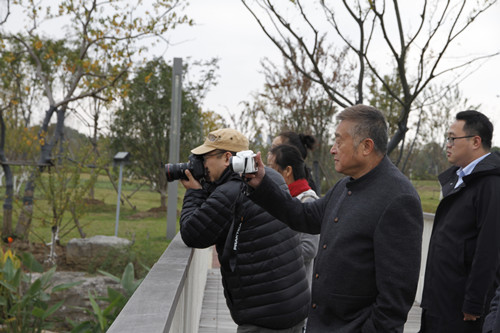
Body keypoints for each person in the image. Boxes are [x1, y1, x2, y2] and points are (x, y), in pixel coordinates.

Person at [246, 105, 423, 332]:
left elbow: (395, 299)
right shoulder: (345, 185)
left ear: (366, 146)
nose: (332, 149)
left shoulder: (399, 198)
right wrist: (262, 183)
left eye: (339, 141)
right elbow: (303, 216)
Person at [179, 128, 310, 332]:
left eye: (206, 157)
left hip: (264, 316)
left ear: (227, 158)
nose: (202, 164)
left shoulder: (229, 192)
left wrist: (194, 194)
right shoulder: (271, 177)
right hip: (293, 303)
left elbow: (191, 234)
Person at [419, 110, 500, 333]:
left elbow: (489, 248)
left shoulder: (490, 185)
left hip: (463, 312)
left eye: (453, 138)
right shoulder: (460, 179)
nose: (448, 144)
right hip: (439, 302)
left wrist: (474, 303)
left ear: (476, 141)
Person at [267, 144, 320, 286]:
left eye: (271, 168)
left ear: (288, 171)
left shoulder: (308, 200)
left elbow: (309, 250)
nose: (266, 173)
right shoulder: (275, 199)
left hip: (295, 290)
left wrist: (272, 254)